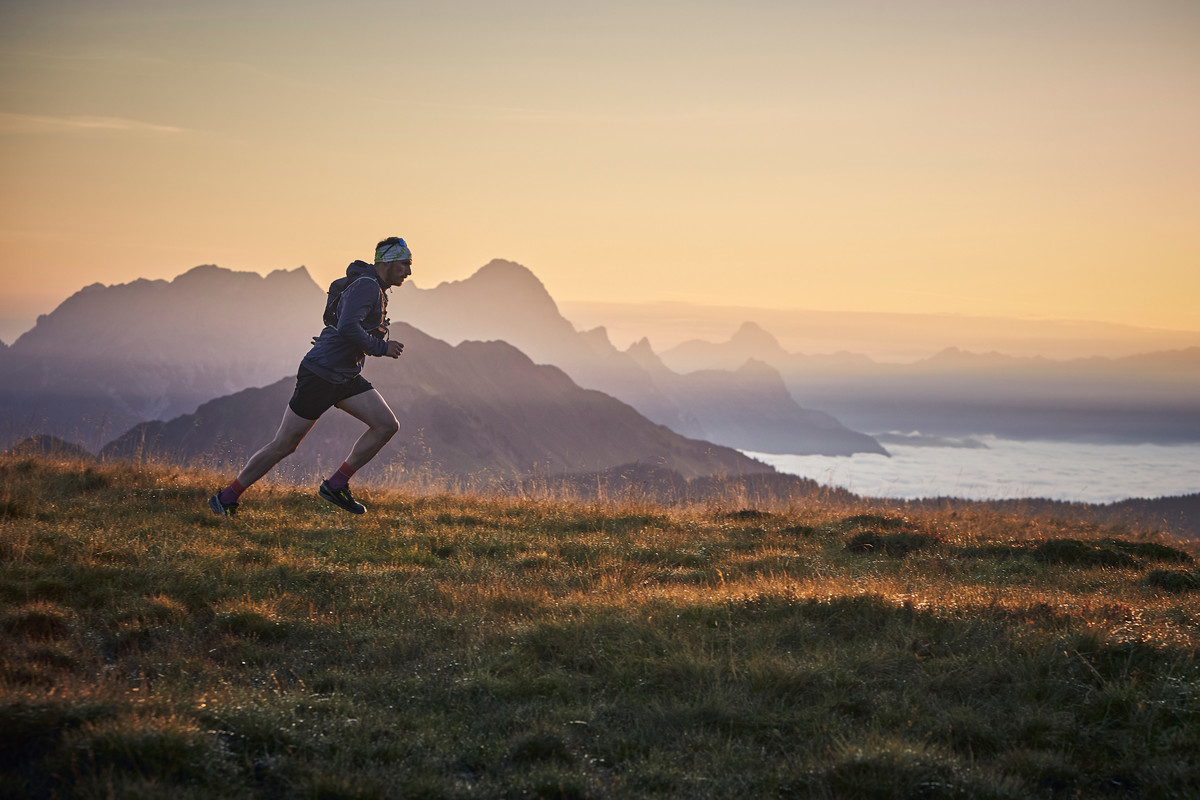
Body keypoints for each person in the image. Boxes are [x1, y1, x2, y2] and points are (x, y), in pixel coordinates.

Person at [208, 236, 412, 517]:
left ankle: (336, 485)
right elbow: (347, 327)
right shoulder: (367, 286)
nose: (409, 272)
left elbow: (341, 325)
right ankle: (226, 498)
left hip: (344, 375)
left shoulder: (372, 287)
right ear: (387, 262)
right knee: (285, 444)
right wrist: (382, 347)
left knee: (386, 424)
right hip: (321, 375)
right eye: (405, 264)